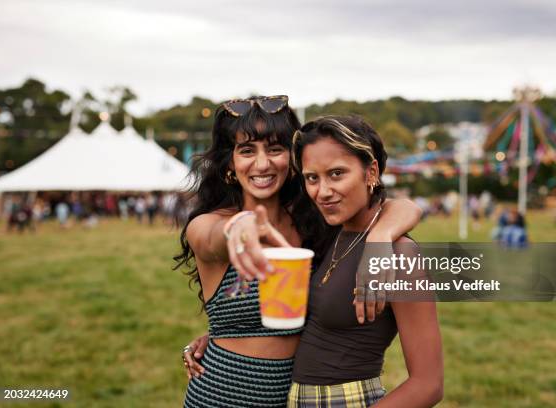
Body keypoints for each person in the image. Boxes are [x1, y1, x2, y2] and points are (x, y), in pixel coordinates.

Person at [175, 98, 423, 408]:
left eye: (275, 149)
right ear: (229, 164)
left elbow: (402, 207)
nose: (263, 163)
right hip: (223, 396)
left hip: (294, 400)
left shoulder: (314, 225)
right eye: (247, 150)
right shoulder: (210, 223)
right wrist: (239, 229)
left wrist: (382, 235)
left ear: (292, 161)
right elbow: (211, 240)